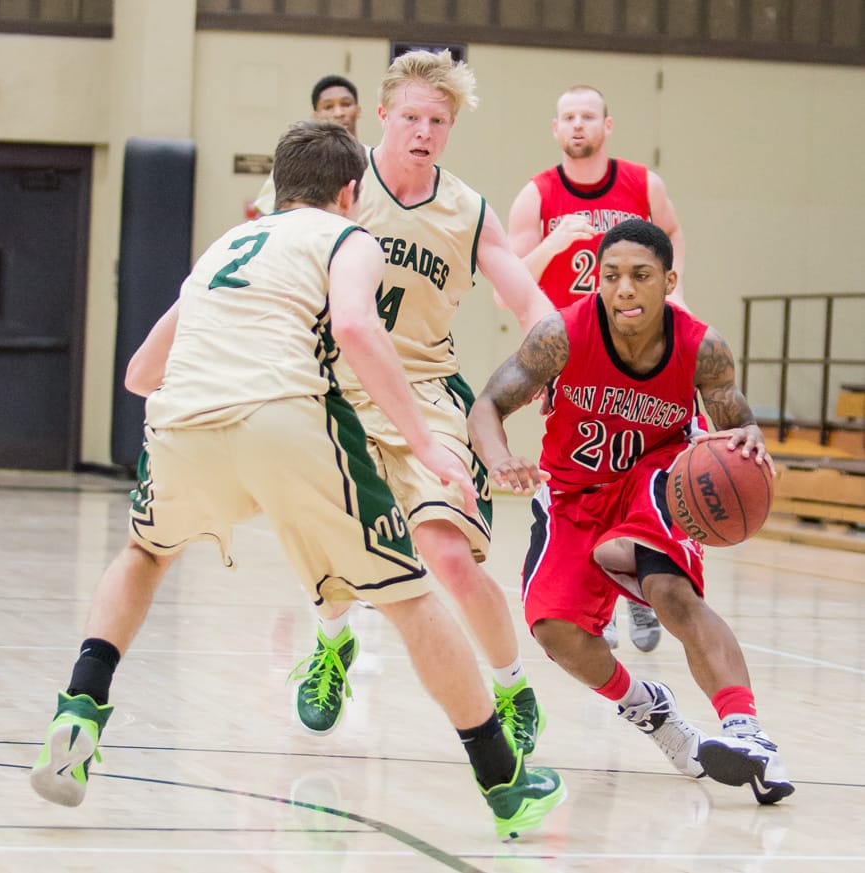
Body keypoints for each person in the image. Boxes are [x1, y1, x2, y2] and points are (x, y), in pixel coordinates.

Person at [29, 120, 565, 840]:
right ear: (351, 192)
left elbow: (138, 375)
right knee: (410, 598)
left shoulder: (224, 247)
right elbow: (354, 327)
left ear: (277, 187)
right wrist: (427, 446)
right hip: (282, 417)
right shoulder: (348, 238)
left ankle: (79, 707)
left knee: (146, 554)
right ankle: (506, 782)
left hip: (180, 424)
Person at [467, 219, 794, 805]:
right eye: (611, 275)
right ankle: (651, 710)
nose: (623, 289)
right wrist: (497, 456)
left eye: (640, 276)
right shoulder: (561, 335)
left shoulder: (701, 348)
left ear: (668, 281)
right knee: (555, 630)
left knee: (670, 589)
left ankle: (747, 730)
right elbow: (488, 401)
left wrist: (750, 442)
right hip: (571, 492)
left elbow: (737, 423)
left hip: (657, 479)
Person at [289, 50, 557, 758]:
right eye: (410, 116)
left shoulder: (468, 211)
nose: (423, 131)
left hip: (427, 391)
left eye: (438, 120)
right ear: (381, 116)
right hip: (336, 388)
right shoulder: (336, 187)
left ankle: (511, 684)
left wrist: (558, 365)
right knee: (335, 553)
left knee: (450, 558)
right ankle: (332, 644)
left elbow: (527, 302)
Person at [507, 83, 689, 652]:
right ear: (555, 130)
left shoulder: (643, 184)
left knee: (656, 463)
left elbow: (673, 237)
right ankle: (601, 596)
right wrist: (556, 242)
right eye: (568, 117)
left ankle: (649, 584)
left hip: (646, 349)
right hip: (578, 354)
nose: (578, 125)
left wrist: (677, 306)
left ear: (607, 125)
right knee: (585, 474)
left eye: (588, 116)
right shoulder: (537, 196)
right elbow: (512, 283)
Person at [253, 74, 362, 216]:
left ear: (358, 111)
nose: (338, 113)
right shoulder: (299, 160)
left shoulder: (374, 161)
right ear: (315, 116)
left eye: (345, 104)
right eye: (328, 106)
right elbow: (265, 212)